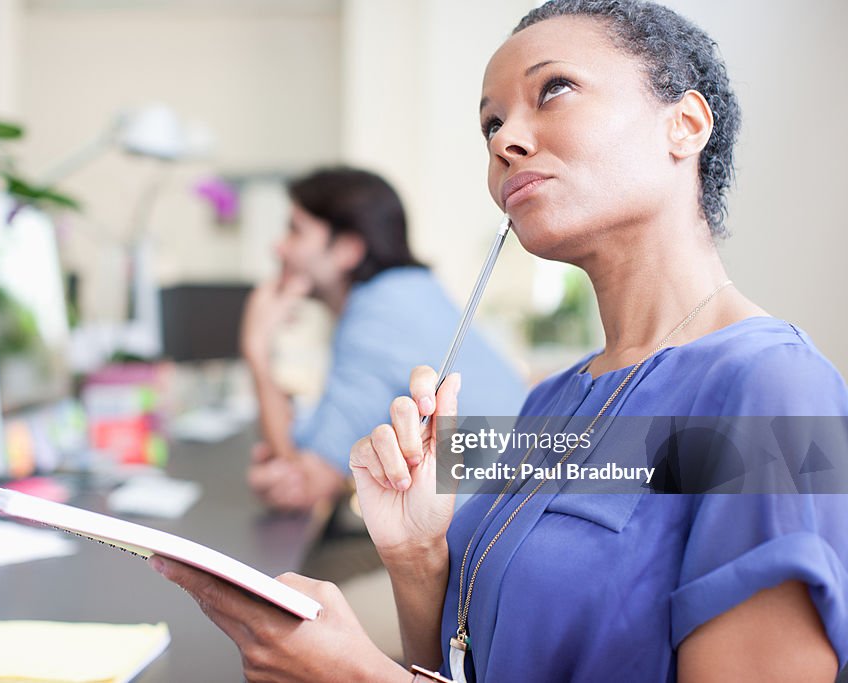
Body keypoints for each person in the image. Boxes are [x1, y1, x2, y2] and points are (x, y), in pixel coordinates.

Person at [149, 1, 848, 681]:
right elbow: (460, 665)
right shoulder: (550, 400)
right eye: (491, 123)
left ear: (686, 124)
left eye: (554, 90)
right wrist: (418, 556)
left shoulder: (775, 396)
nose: (505, 140)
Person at [240, 167, 525, 512]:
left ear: (347, 249)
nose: (279, 247)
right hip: (505, 515)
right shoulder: (406, 292)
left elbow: (303, 486)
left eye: (295, 231)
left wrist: (255, 346)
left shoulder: (375, 319)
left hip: (483, 536)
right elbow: (310, 445)